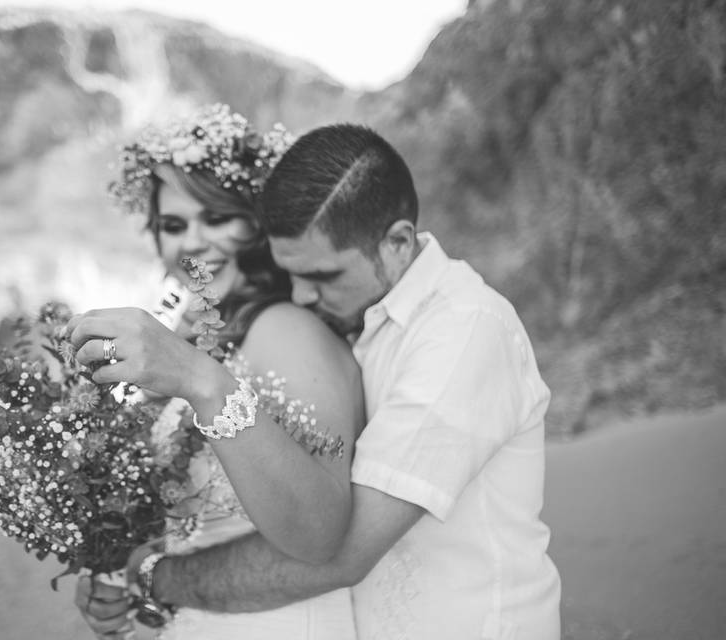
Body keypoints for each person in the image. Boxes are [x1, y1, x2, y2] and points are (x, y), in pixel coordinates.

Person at [78, 123, 562, 639]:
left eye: (323, 277)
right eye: (172, 223)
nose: (304, 296)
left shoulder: (462, 332)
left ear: (398, 242)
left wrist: (150, 576)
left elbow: (341, 551)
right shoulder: (357, 318)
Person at [66, 105, 364, 638]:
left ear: (260, 224)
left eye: (217, 217)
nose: (193, 243)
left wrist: (203, 382)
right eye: (173, 225)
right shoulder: (189, 340)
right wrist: (120, 576)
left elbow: (322, 531)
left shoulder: (286, 331)